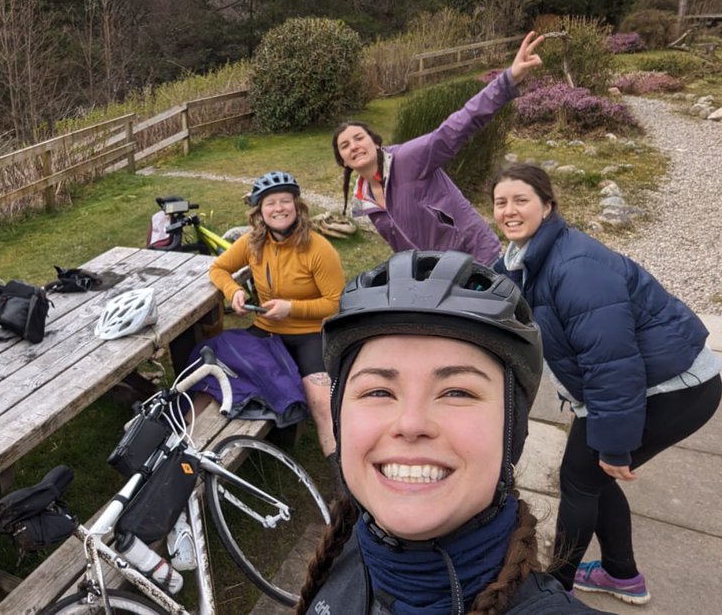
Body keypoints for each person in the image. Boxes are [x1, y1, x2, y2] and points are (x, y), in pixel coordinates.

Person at [299, 250, 601, 614]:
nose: (411, 424)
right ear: (339, 419)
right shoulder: (345, 550)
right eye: (378, 391)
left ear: (511, 432)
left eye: (457, 392)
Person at [491, 164, 721, 605]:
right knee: (593, 478)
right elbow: (496, 280)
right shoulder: (527, 255)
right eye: (501, 202)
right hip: (652, 385)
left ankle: (553, 588)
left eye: (521, 200)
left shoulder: (575, 266)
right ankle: (621, 574)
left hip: (677, 389)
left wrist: (615, 444)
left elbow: (612, 364)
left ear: (547, 205)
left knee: (580, 478)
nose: (510, 210)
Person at [331, 31, 546, 266]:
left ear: (374, 142)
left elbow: (458, 125)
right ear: (343, 161)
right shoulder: (366, 202)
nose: (354, 146)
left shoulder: (408, 159)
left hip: (476, 258)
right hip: (436, 278)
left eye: (359, 138)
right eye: (345, 145)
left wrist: (507, 80)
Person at [208, 171, 344, 453]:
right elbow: (217, 268)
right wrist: (234, 291)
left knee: (322, 405)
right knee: (217, 367)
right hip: (266, 330)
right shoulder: (252, 242)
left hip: (308, 335)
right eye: (270, 203)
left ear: (297, 207)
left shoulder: (319, 248)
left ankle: (342, 476)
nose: (278, 208)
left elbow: (334, 302)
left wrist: (291, 308)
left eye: (285, 201)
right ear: (260, 211)